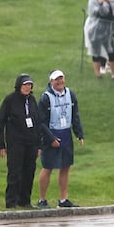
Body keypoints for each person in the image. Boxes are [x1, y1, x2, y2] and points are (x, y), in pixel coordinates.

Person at [37, 70, 84, 209]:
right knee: (48, 167)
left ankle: (63, 200)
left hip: (65, 133)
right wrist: (50, 138)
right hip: (51, 134)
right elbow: (41, 122)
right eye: (56, 79)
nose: (59, 82)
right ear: (51, 81)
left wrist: (79, 133)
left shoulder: (70, 94)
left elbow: (75, 115)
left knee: (65, 167)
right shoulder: (45, 98)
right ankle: (42, 200)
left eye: (61, 79)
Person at [0, 74, 42, 209]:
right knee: (15, 172)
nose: (27, 87)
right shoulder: (10, 100)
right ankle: (11, 202)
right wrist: (1, 144)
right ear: (19, 86)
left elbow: (37, 122)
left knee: (29, 171)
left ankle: (24, 200)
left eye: (29, 85)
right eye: (25, 85)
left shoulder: (32, 100)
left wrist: (39, 144)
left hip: (31, 143)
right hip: (15, 143)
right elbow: (0, 122)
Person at [84, 0, 114, 79]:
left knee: (111, 51)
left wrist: (105, 2)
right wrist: (100, 3)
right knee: (96, 52)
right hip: (95, 29)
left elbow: (107, 12)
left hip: (108, 30)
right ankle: (98, 75)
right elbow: (93, 12)